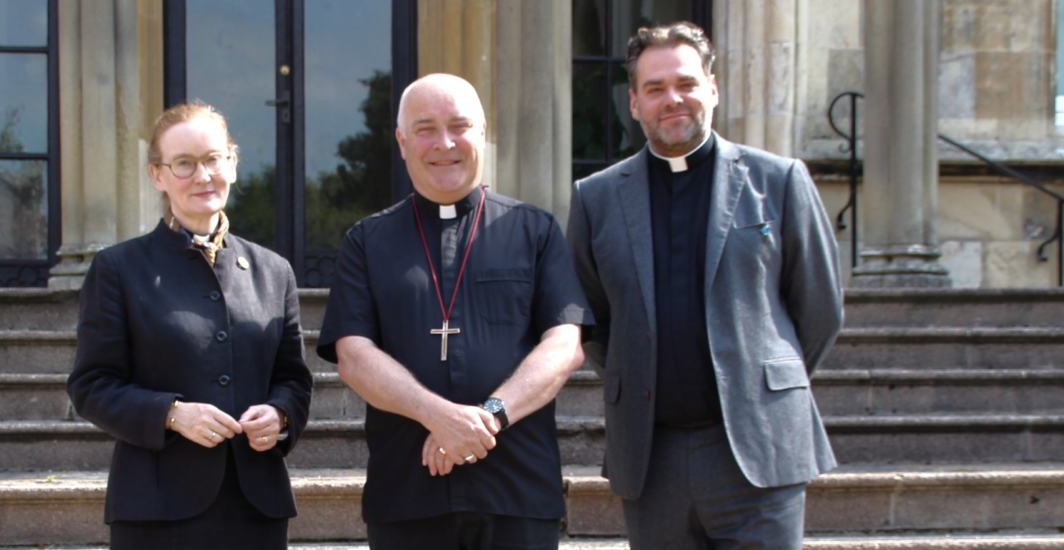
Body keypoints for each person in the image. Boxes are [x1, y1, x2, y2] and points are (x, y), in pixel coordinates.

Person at [566, 22, 843, 549]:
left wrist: (760, 381)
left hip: (757, 448)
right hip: (653, 455)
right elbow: (592, 319)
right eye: (655, 88)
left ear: (711, 89)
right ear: (634, 103)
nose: (673, 99)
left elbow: (820, 308)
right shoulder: (595, 198)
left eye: (686, 83)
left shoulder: (778, 181)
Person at [317, 73, 592, 550]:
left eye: (459, 125)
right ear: (402, 142)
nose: (444, 143)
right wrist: (437, 416)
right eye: (425, 128)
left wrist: (488, 417)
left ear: (481, 131)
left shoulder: (535, 231)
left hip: (517, 489)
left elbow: (564, 346)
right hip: (407, 492)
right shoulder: (367, 241)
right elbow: (353, 355)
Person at [66, 102, 313, 549]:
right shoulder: (118, 269)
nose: (203, 176)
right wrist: (172, 414)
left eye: (214, 159)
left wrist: (278, 416)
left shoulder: (274, 271)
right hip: (157, 510)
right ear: (157, 176)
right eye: (184, 164)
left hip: (255, 508)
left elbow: (293, 381)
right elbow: (91, 386)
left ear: (232, 165)